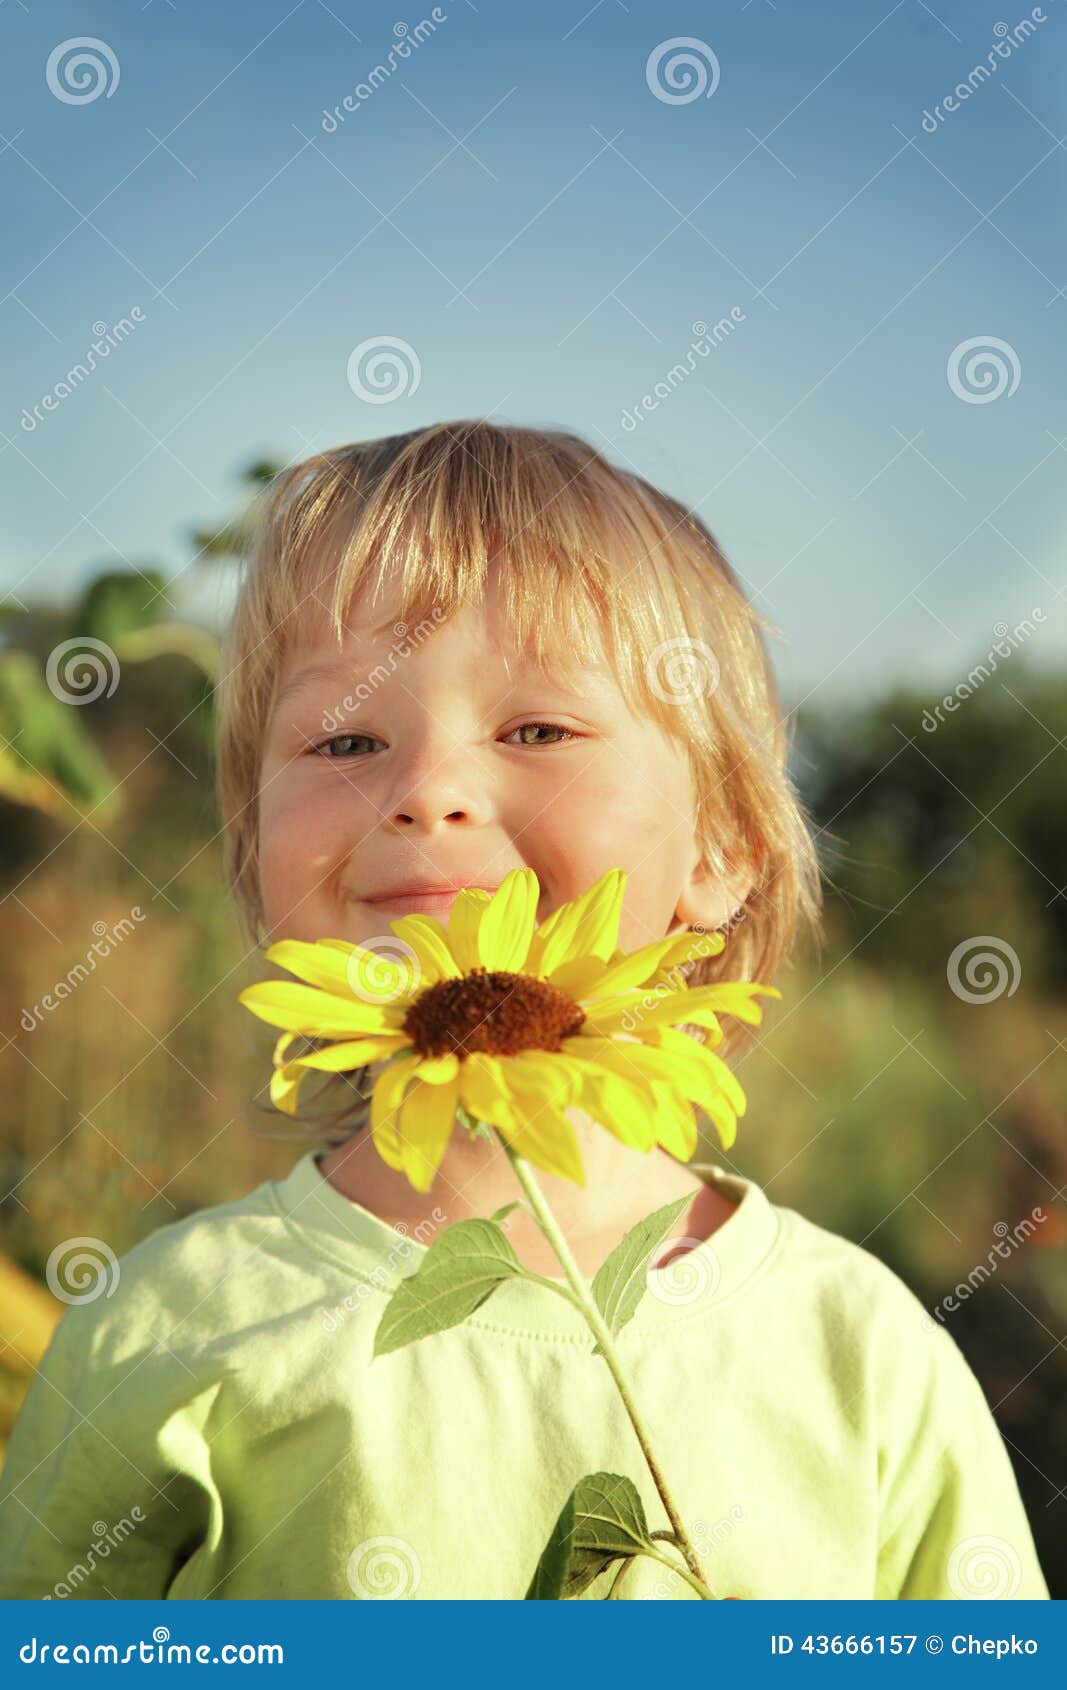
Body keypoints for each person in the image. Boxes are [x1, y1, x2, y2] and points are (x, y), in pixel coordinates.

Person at [0, 422, 1048, 1599]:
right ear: (251, 862)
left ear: (724, 844)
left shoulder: (860, 1353)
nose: (426, 792)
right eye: (345, 737)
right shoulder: (162, 1329)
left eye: (536, 729)